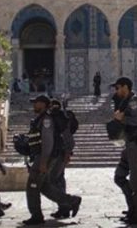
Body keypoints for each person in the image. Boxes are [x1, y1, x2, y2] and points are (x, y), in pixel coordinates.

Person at [22, 95, 82, 225]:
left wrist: (43, 161)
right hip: (42, 156)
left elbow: (48, 141)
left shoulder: (46, 120)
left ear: (43, 104)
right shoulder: (41, 118)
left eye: (36, 103)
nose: (34, 105)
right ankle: (71, 201)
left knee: (32, 186)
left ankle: (36, 216)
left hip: (44, 157)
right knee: (44, 187)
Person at [111, 77, 137, 224]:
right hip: (129, 146)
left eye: (118, 87)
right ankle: (133, 208)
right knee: (119, 176)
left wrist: (122, 119)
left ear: (125, 87)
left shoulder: (133, 102)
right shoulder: (125, 102)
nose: (116, 90)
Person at [47, 99, 76, 219]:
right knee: (59, 180)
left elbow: (68, 137)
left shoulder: (59, 119)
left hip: (59, 154)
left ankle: (67, 204)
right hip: (60, 153)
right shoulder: (60, 118)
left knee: (52, 180)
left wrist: (67, 153)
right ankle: (63, 208)